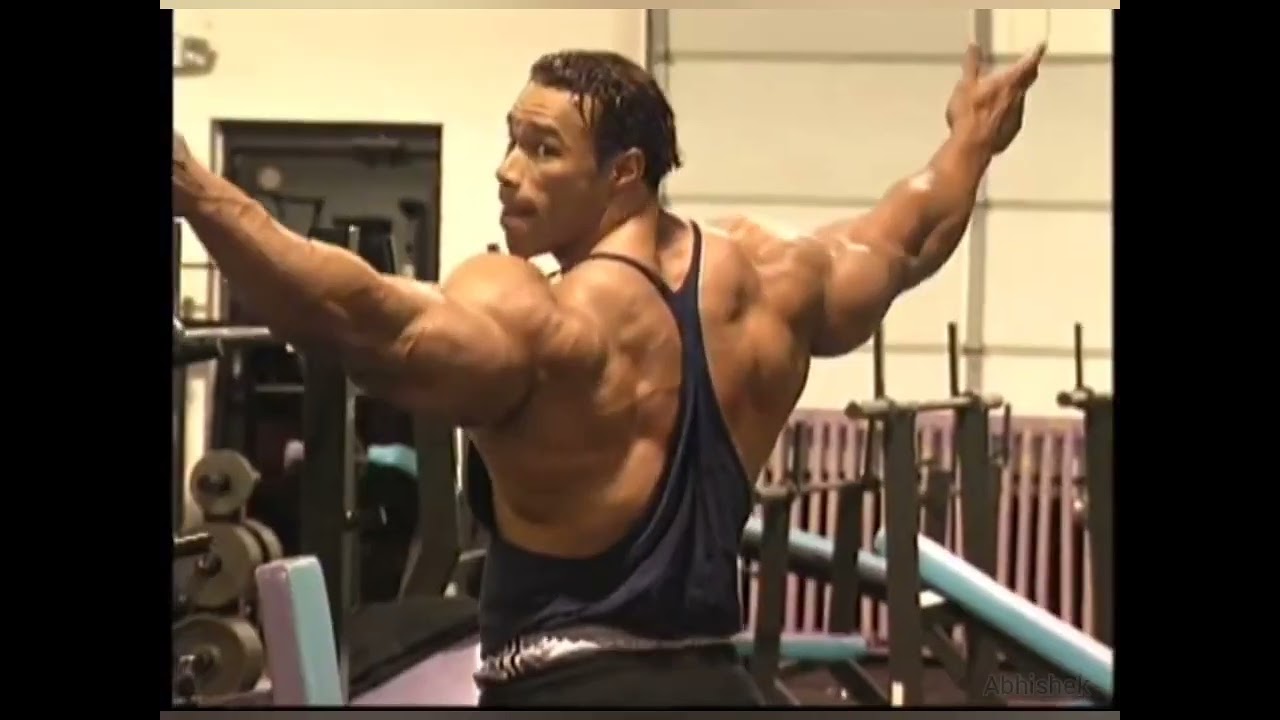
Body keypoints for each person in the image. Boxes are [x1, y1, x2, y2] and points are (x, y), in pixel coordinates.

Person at [172, 41, 1045, 706]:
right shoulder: (771, 281)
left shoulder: (535, 314)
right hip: (718, 687)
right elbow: (906, 237)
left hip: (557, 692)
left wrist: (193, 188)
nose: (507, 171)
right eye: (512, 142)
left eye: (543, 150)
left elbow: (352, 318)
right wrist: (973, 139)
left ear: (624, 172)